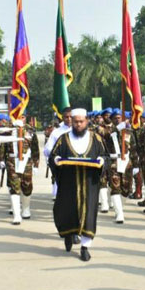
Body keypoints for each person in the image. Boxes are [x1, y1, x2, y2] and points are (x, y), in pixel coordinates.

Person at [48, 109, 108, 262]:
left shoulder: (96, 139)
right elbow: (53, 155)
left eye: (81, 122)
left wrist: (102, 161)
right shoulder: (63, 139)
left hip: (90, 184)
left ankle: (85, 247)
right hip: (69, 183)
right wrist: (56, 160)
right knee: (68, 211)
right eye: (76, 122)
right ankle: (68, 235)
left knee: (88, 214)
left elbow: (105, 155)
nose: (78, 124)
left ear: (87, 121)